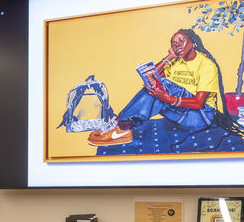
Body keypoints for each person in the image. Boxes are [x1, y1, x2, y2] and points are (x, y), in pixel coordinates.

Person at [89, 29, 226, 146]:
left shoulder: (206, 65)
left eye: (181, 41)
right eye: (174, 44)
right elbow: (150, 78)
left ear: (193, 42)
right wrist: (169, 57)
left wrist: (168, 98)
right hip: (180, 114)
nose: (177, 45)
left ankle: (120, 124)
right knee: (153, 86)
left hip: (201, 117)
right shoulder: (176, 62)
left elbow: (199, 103)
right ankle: (122, 126)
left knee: (164, 84)